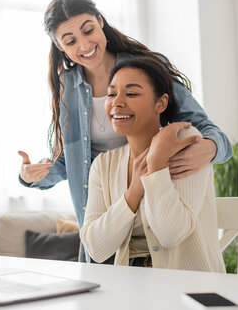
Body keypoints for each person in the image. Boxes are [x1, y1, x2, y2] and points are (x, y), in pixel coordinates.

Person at [18, 0, 232, 261]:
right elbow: (66, 164)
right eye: (70, 40)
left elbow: (209, 131)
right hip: (105, 220)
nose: (84, 45)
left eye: (88, 30)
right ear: (60, 47)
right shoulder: (66, 88)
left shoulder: (144, 70)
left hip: (157, 210)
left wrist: (211, 148)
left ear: (100, 21)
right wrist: (31, 176)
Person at [80, 56, 225, 272]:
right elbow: (96, 249)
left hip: (189, 288)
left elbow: (171, 234)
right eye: (111, 94)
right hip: (130, 288)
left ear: (161, 103)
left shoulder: (186, 141)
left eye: (131, 93)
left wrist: (156, 164)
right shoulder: (104, 165)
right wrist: (135, 190)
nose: (117, 102)